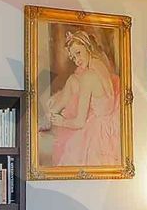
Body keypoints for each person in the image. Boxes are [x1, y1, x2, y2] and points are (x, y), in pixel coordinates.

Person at [44, 27, 121, 167]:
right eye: (73, 57)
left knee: (70, 151)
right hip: (108, 119)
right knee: (73, 80)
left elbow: (79, 123)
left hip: (98, 131)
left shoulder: (88, 76)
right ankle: (49, 114)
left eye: (78, 53)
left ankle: (49, 116)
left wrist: (62, 122)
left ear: (87, 47)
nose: (77, 60)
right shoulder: (99, 64)